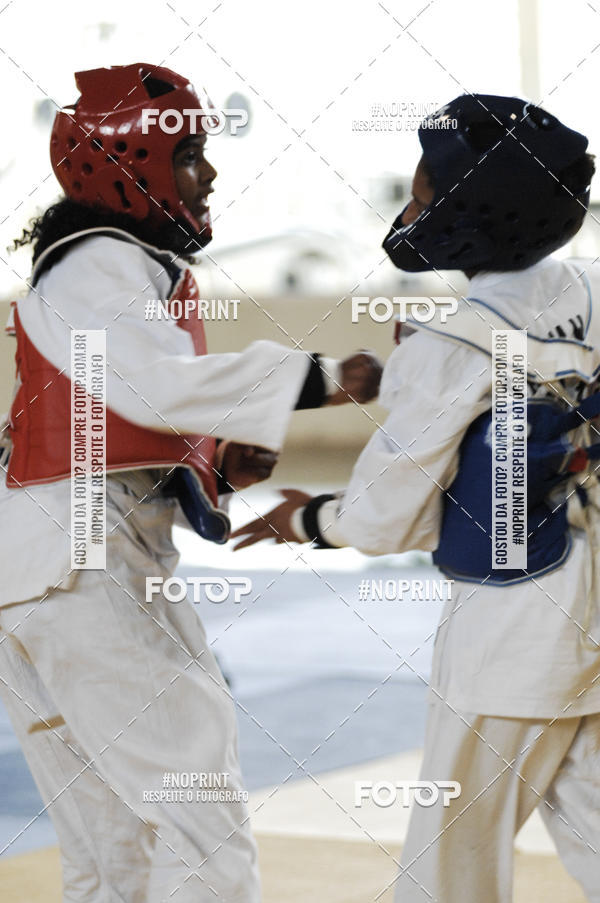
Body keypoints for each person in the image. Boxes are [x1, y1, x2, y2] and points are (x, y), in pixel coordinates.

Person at [0, 62, 381, 902]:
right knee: (202, 819)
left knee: (113, 852)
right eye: (188, 156)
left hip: (47, 565)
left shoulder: (94, 268)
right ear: (127, 168)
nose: (208, 174)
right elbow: (157, 388)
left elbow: (110, 413)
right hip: (81, 565)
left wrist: (210, 463)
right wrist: (322, 376)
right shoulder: (102, 261)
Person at [232, 95, 600, 902]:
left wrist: (308, 517)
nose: (410, 208)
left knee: (449, 862)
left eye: (423, 190)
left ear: (477, 208)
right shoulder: (590, 292)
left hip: (510, 629)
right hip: (590, 611)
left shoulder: (451, 344)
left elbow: (385, 511)